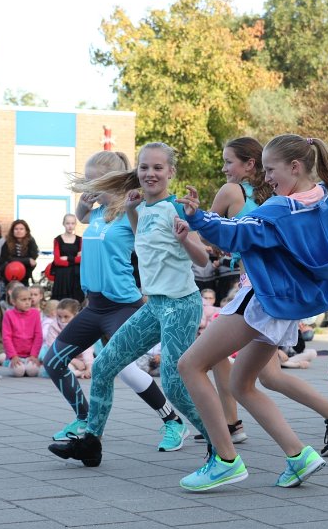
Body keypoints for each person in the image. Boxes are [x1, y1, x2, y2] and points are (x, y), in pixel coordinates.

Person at [175, 136, 328, 491]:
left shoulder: (280, 209)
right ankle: (298, 456)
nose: (267, 177)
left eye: (271, 169)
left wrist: (198, 218)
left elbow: (234, 233)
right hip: (286, 310)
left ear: (295, 167)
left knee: (189, 365)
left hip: (261, 301)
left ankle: (224, 460)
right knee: (242, 383)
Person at [48, 142, 211, 467]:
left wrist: (188, 235)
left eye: (157, 168)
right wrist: (132, 209)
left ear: (170, 172)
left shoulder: (176, 208)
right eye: (144, 168)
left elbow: (204, 262)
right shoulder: (138, 208)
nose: (150, 173)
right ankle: (90, 443)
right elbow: (143, 242)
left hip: (179, 305)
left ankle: (218, 444)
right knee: (105, 366)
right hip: (152, 305)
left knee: (176, 386)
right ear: (135, 172)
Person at [45, 299, 94, 379]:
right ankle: (79, 374)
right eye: (59, 316)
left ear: (75, 315)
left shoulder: (82, 327)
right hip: (62, 359)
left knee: (96, 366)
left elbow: (87, 349)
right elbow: (53, 349)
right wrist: (74, 361)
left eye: (66, 317)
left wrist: (88, 365)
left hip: (83, 360)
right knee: (60, 368)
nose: (62, 320)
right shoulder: (53, 327)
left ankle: (85, 372)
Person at [2, 284, 42, 377]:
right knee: (19, 372)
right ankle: (10, 363)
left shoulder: (35, 313)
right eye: (23, 300)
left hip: (30, 356)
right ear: (13, 301)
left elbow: (38, 336)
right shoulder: (8, 314)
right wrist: (13, 356)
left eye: (29, 299)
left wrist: (34, 355)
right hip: (16, 356)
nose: (27, 302)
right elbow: (6, 337)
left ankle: (28, 364)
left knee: (32, 371)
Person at [49, 214, 84, 302]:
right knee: (60, 301)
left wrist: (67, 258)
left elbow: (82, 260)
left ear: (75, 224)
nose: (70, 226)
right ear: (63, 224)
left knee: (75, 301)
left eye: (72, 223)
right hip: (62, 275)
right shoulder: (57, 240)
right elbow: (57, 261)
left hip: (75, 275)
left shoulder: (80, 240)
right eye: (67, 223)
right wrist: (75, 259)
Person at [0, 220, 39, 286]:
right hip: (9, 274)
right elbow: (7, 258)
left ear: (26, 231)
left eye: (21, 229)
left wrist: (27, 261)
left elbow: (33, 258)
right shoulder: (6, 242)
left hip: (25, 275)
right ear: (12, 231)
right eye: (16, 229)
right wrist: (26, 260)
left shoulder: (31, 241)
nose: (19, 231)